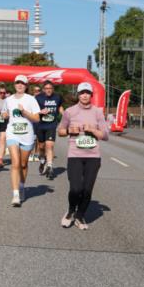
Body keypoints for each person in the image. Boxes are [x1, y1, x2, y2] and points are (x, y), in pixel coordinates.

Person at [57, 82, 108, 230]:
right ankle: (70, 211)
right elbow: (60, 131)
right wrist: (68, 131)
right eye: (82, 93)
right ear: (78, 95)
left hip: (93, 156)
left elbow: (105, 135)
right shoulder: (70, 112)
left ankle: (80, 216)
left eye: (87, 93)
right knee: (75, 189)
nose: (84, 95)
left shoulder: (98, 112)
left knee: (87, 190)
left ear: (91, 95)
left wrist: (93, 130)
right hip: (75, 155)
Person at [5, 75, 41, 206]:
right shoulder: (8, 100)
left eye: (22, 83)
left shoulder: (31, 99)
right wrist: (3, 114)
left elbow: (37, 119)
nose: (20, 85)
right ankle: (15, 195)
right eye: (17, 83)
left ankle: (21, 186)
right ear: (14, 84)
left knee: (23, 164)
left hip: (27, 135)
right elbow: (5, 113)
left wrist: (24, 112)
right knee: (15, 163)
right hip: (12, 134)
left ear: (26, 86)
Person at [34, 81, 64, 178]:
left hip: (51, 125)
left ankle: (50, 166)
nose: (48, 90)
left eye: (50, 88)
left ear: (53, 89)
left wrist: (65, 115)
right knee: (42, 147)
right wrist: (40, 112)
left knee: (49, 145)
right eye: (46, 88)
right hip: (40, 125)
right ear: (43, 89)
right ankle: (43, 161)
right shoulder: (38, 98)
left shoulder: (57, 97)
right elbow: (33, 111)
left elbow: (60, 107)